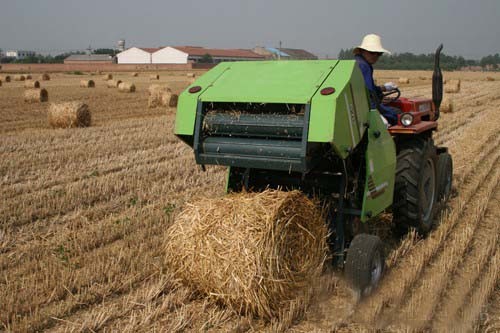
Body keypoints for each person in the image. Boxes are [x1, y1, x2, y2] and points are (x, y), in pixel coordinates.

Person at [354, 34, 399, 126]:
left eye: (379, 54)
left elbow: (367, 89)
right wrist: (376, 114)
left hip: (360, 106)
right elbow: (368, 94)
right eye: (372, 52)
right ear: (362, 51)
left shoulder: (357, 63)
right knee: (396, 115)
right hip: (367, 108)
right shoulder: (364, 66)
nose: (375, 56)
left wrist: (383, 88)